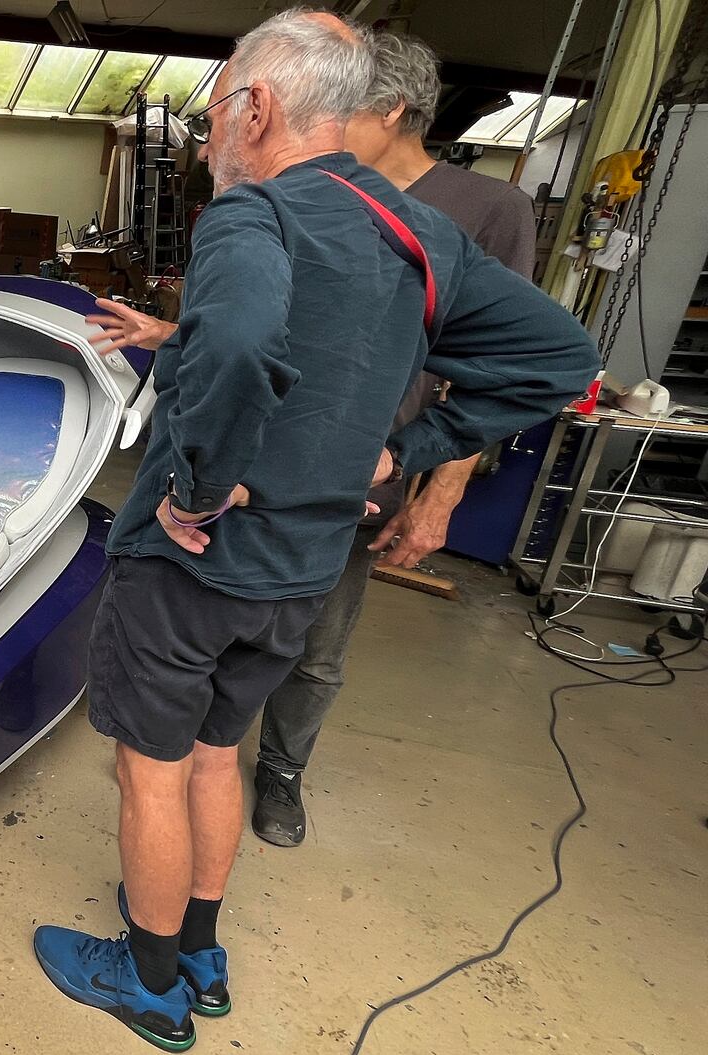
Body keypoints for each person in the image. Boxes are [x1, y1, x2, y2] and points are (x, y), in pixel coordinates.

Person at [32, 10, 597, 1053]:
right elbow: (563, 359)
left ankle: (146, 983)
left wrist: (198, 488)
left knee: (149, 767)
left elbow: (243, 341)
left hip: (193, 568)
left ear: (257, 108)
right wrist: (414, 444)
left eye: (211, 121)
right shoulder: (416, 230)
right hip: (302, 568)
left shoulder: (254, 217)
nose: (207, 145)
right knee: (216, 753)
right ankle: (199, 952)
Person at [251, 30, 543, 847]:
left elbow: (494, 372)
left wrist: (439, 491)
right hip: (263, 451)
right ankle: (195, 748)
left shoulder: (489, 211)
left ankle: (281, 767)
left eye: (341, 102)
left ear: (392, 109)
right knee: (217, 618)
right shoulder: (309, 190)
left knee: (317, 640)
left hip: (367, 469)